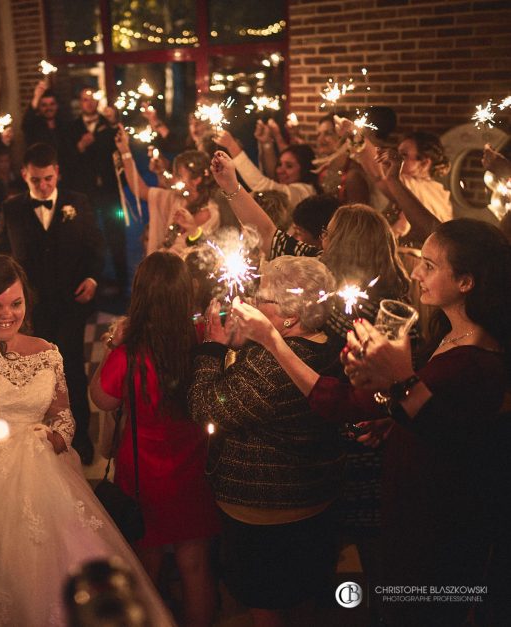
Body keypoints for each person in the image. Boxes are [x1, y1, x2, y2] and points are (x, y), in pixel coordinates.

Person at [237, 219, 510, 627]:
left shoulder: (477, 363)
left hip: (438, 522)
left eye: (430, 266)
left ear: (467, 281)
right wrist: (393, 412)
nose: (415, 272)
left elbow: (467, 444)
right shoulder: (451, 335)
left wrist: (271, 341)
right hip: (412, 502)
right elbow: (441, 416)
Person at [0, 244, 173, 626]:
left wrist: (58, 437)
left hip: (43, 477)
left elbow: (64, 416)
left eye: (16, 303)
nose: (7, 315)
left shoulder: (49, 353)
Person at [189, 256, 343, 626]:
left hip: (266, 510)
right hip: (315, 499)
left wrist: (212, 346)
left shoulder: (273, 367)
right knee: (302, 595)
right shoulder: (327, 344)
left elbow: (207, 407)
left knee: (267, 602)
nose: (252, 305)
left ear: (290, 318)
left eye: (263, 300)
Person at [89, 252, 220, 627]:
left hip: (143, 471)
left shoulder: (130, 352)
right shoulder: (200, 341)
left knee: (147, 562)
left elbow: (102, 399)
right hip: (193, 467)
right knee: (194, 564)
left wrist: (111, 347)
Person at [210, 150, 410, 346]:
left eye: (328, 234)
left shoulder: (386, 309)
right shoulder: (320, 262)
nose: (322, 237)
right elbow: (268, 234)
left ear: (347, 246)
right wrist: (230, 185)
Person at [0, 142, 105, 464]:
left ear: (57, 173)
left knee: (70, 368)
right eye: (35, 180)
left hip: (70, 304)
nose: (42, 186)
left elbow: (96, 247)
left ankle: (78, 437)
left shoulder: (77, 203)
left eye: (48, 179)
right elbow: (1, 252)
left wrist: (93, 279)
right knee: (33, 371)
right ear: (25, 175)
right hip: (28, 310)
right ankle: (35, 439)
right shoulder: (12, 209)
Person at [115, 127, 220, 256]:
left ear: (197, 179)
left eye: (179, 175)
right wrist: (125, 152)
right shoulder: (176, 199)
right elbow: (140, 190)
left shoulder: (208, 213)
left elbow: (186, 250)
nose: (174, 178)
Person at [65, 88, 127, 289]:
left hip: (108, 190)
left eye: (92, 100)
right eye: (85, 100)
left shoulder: (107, 124)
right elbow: (66, 162)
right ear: (80, 103)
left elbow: (120, 149)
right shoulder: (72, 128)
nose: (89, 103)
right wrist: (80, 147)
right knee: (87, 236)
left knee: (115, 234)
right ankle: (91, 282)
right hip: (85, 193)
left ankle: (122, 281)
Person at [215, 129, 319, 209]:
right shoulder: (290, 187)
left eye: (289, 166)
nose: (280, 170)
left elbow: (263, 185)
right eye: (279, 164)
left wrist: (231, 146)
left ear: (304, 168)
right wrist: (266, 143)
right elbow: (270, 175)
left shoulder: (303, 192)